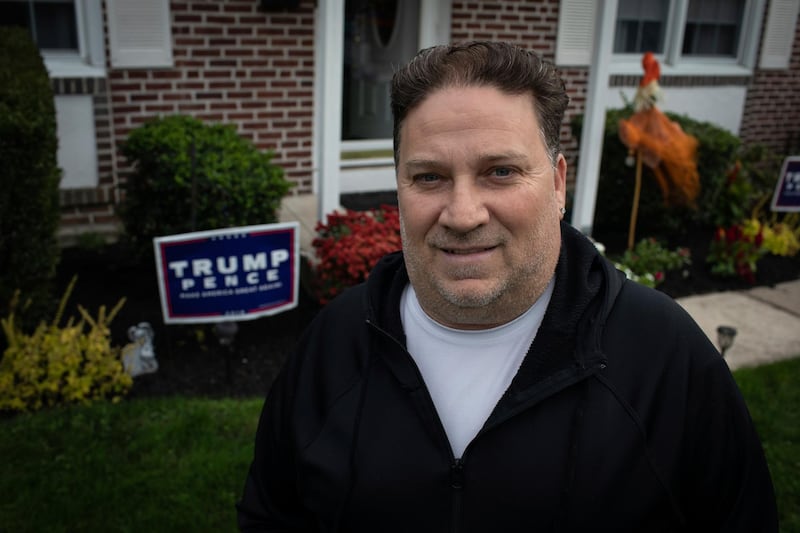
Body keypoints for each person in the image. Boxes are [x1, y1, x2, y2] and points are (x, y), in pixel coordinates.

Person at [237, 41, 777, 532]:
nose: (462, 214)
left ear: (559, 183)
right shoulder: (334, 343)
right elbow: (271, 513)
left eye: (500, 172)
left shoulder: (663, 357)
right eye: (429, 177)